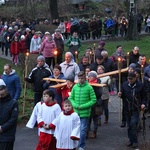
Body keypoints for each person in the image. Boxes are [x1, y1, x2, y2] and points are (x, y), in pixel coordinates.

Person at [118, 72, 147, 148]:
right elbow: (123, 96)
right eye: (128, 79)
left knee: (133, 124)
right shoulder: (124, 85)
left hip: (136, 108)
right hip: (127, 108)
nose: (129, 80)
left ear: (135, 78)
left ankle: (135, 141)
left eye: (131, 79)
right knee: (129, 126)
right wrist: (120, 95)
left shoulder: (140, 86)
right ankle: (131, 140)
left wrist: (143, 104)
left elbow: (144, 96)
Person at [69, 71, 96, 150]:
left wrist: (83, 106)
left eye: (82, 78)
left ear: (85, 78)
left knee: (82, 129)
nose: (80, 80)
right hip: (75, 112)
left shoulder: (89, 87)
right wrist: (75, 105)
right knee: (74, 129)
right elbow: (71, 98)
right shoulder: (75, 87)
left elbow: (93, 100)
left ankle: (81, 146)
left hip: (85, 113)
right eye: (79, 78)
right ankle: (74, 145)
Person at [0, 85, 18, 150]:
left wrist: (3, 128)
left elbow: (13, 118)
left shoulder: (13, 103)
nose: (0, 97)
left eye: (2, 95)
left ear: (6, 93)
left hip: (7, 136)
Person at [87, 71, 102, 139]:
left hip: (96, 104)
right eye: (89, 76)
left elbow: (99, 94)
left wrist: (94, 88)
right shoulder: (87, 83)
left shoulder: (98, 84)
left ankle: (94, 132)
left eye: (91, 76)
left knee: (95, 119)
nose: (89, 77)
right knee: (88, 119)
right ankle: (87, 132)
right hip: (88, 103)